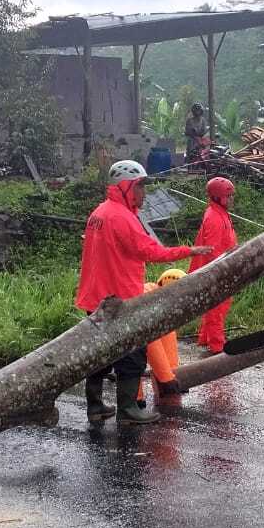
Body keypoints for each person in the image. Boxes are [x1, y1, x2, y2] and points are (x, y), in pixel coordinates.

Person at [76, 160, 211, 425]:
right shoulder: (121, 217)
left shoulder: (100, 212)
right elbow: (149, 251)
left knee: (98, 354)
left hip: (97, 297)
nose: (143, 193)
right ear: (125, 187)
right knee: (133, 354)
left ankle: (95, 406)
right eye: (139, 187)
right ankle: (127, 409)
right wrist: (188, 251)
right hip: (120, 299)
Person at [188, 177, 237, 353]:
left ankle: (205, 338)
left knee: (215, 306)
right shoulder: (214, 218)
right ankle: (217, 345)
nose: (232, 199)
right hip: (215, 271)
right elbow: (212, 251)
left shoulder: (219, 212)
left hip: (220, 268)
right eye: (229, 196)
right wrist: (222, 273)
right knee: (218, 307)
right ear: (219, 197)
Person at [135, 269, 186, 408]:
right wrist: (167, 378)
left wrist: (174, 376)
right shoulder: (149, 299)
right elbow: (152, 344)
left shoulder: (162, 300)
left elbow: (169, 344)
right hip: (128, 327)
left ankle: (159, 386)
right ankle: (135, 400)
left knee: (167, 335)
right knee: (133, 363)